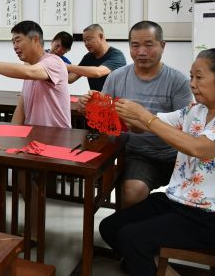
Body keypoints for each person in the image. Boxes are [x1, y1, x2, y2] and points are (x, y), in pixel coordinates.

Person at [98, 48, 215, 276]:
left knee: (131, 239)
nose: (192, 84)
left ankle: (142, 263)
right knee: (110, 227)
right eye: (191, 76)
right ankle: (159, 269)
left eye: (199, 77)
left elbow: (198, 148)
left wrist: (144, 115)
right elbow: (151, 123)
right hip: (176, 199)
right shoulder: (195, 110)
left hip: (207, 214)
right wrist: (110, 108)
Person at [81, 21, 193, 208]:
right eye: (135, 45)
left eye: (149, 45)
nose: (141, 52)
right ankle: (129, 225)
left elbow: (186, 127)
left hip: (175, 154)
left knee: (195, 198)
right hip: (138, 154)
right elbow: (106, 119)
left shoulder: (178, 81)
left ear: (162, 46)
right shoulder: (116, 77)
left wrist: (145, 124)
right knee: (133, 192)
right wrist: (88, 107)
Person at [0, 20, 71, 129]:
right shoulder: (29, 66)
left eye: (18, 41)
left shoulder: (53, 62)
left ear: (35, 40)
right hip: (33, 135)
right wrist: (11, 132)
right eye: (13, 42)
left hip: (57, 135)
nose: (15, 46)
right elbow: (21, 108)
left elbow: (29, 72)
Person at [67, 24, 126, 91]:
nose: (86, 43)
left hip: (114, 97)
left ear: (101, 36)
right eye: (84, 41)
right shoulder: (88, 57)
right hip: (95, 97)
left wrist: (66, 66)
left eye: (88, 39)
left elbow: (97, 72)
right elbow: (70, 78)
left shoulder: (117, 56)